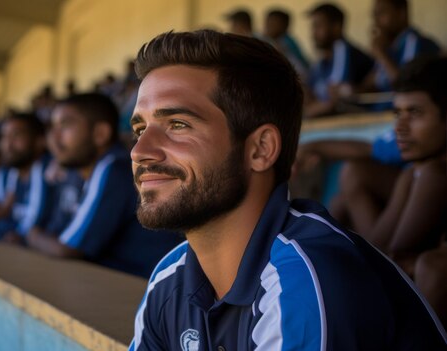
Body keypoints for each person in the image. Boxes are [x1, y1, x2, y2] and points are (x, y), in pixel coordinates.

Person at [127, 30, 446, 350]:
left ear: (260, 149)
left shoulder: (307, 279)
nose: (140, 151)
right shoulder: (169, 278)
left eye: (178, 124)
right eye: (140, 129)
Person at [26, 93, 182, 277]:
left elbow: (67, 249)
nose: (54, 136)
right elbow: (57, 232)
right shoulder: (78, 173)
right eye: (52, 127)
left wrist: (32, 235)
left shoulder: (114, 169)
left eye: (65, 125)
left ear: (100, 134)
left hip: (142, 287)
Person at [357, 56, 447, 274]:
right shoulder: (414, 173)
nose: (400, 127)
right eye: (398, 113)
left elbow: (389, 261)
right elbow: (378, 250)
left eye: (415, 113)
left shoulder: (434, 173)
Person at [0, 112, 52, 242]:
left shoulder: (50, 172)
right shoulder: (12, 174)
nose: (7, 145)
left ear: (39, 141)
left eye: (16, 136)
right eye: (4, 137)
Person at [304, 3, 374, 118]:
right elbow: (309, 92)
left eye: (318, 26)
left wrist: (306, 112)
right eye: (313, 26)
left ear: (336, 26)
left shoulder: (342, 49)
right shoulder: (322, 60)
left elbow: (336, 100)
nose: (313, 33)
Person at [362, 0, 441, 95]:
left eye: (381, 13)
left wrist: (381, 54)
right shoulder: (389, 45)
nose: (376, 21)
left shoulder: (415, 41)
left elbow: (407, 86)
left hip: (398, 108)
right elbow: (372, 83)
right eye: (375, 15)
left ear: (402, 13)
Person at [263, 9, 310, 80]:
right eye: (267, 22)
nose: (267, 26)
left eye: (272, 24)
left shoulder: (286, 43)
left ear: (284, 26)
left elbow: (302, 70)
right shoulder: (272, 40)